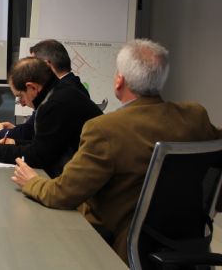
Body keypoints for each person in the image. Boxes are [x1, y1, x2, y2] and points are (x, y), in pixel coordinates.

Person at [11, 39, 220, 265]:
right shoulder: (195, 116)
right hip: (188, 238)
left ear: (120, 80)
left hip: (117, 246)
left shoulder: (105, 129)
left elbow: (62, 194)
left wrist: (32, 182)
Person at [0, 57, 102, 177]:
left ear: (32, 87)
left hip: (91, 179)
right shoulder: (61, 91)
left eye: (20, 96)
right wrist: (15, 142)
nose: (21, 103)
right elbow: (48, 143)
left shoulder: (54, 104)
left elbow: (38, 157)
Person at [0, 39, 89, 142]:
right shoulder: (69, 86)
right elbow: (34, 131)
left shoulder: (62, 95)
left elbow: (36, 142)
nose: (29, 68)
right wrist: (14, 130)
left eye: (34, 63)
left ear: (47, 65)